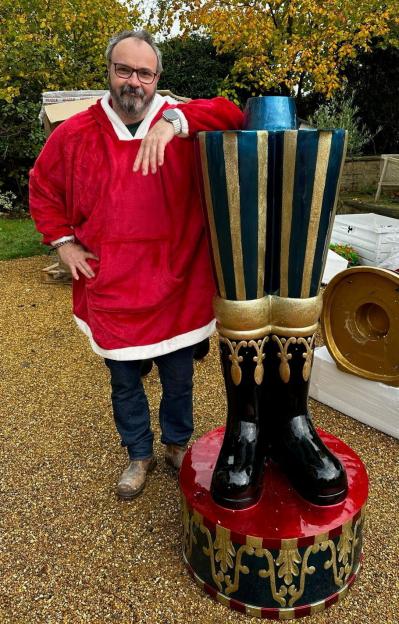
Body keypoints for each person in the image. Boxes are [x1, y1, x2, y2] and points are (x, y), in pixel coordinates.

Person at [29, 29, 243, 500]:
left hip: (176, 282)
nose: (134, 82)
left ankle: (175, 444)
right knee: (125, 382)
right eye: (123, 70)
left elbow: (233, 112)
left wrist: (175, 123)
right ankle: (138, 453)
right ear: (109, 73)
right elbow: (42, 188)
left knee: (179, 377)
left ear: (157, 78)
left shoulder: (179, 123)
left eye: (144, 73)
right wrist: (63, 243)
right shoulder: (76, 134)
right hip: (112, 285)